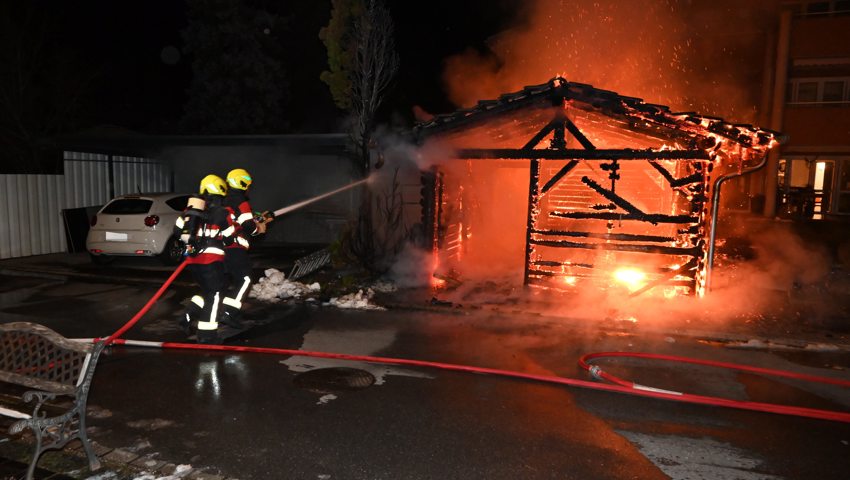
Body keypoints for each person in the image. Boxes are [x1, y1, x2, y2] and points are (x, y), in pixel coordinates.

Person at [173, 174, 236, 344]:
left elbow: (177, 232)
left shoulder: (190, 211)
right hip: (212, 261)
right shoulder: (222, 213)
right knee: (215, 294)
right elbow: (229, 238)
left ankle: (188, 314)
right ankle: (207, 334)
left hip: (193, 261)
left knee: (208, 292)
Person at [220, 168, 272, 327]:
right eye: (248, 185)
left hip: (219, 248)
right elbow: (249, 227)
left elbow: (237, 219)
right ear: (242, 183)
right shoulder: (241, 201)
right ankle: (229, 313)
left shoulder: (224, 199)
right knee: (245, 280)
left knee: (221, 283)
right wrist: (260, 228)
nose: (249, 188)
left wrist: (258, 217)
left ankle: (213, 311)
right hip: (234, 248)